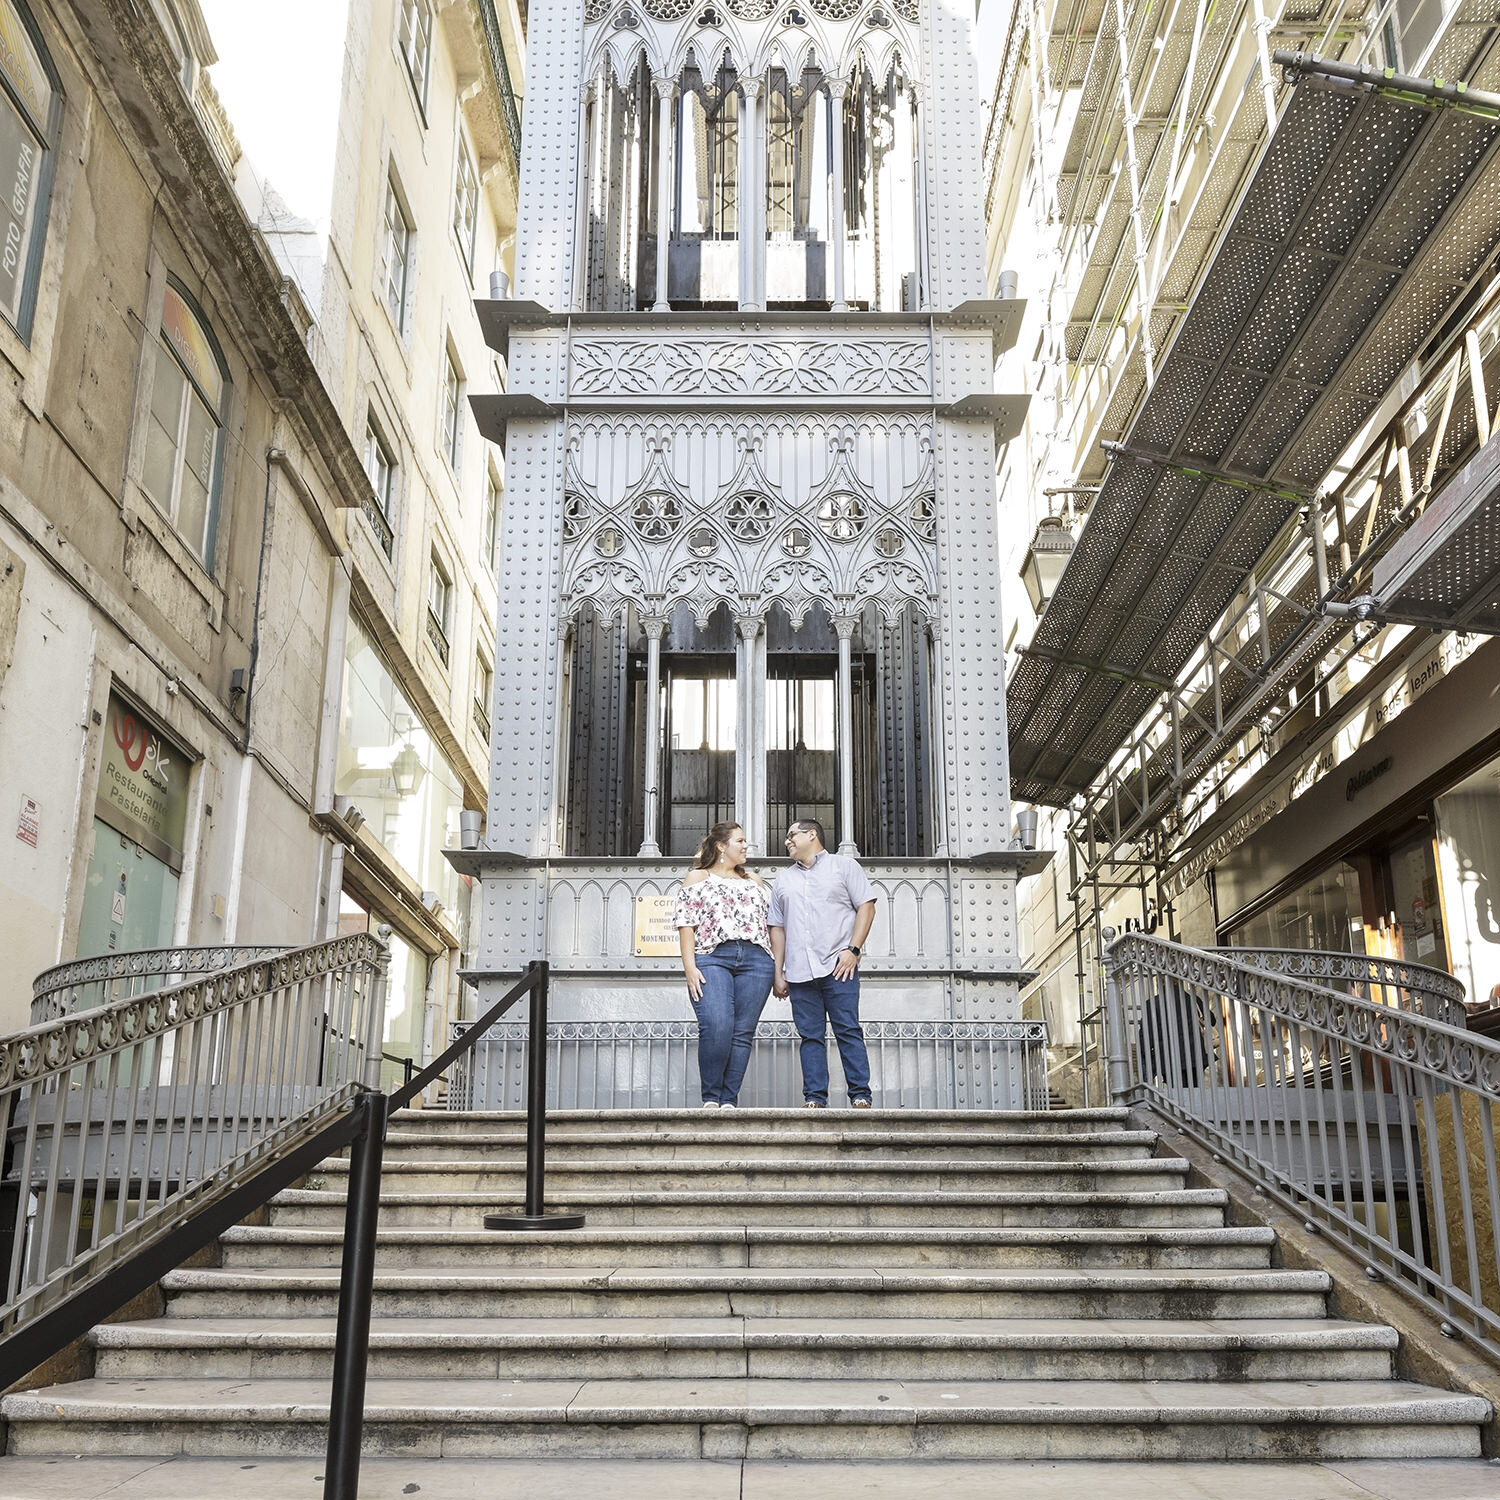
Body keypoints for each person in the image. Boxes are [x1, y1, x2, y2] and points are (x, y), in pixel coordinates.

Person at [768, 819, 878, 1108]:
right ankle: (815, 1098)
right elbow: (776, 928)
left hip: (838, 967)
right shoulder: (784, 880)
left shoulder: (844, 867)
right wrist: (778, 972)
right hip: (799, 972)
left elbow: (866, 905)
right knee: (810, 1037)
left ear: (812, 834)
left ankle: (860, 1095)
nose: (787, 841)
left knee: (848, 1029)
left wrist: (853, 949)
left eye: (792, 835)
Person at [674, 821, 776, 1109]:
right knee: (716, 1025)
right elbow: (686, 924)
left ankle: (729, 1100)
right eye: (740, 841)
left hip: (757, 960)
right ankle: (711, 1097)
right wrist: (689, 967)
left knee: (742, 1032)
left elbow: (772, 926)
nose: (746, 846)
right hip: (712, 956)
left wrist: (778, 968)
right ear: (721, 846)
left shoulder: (754, 881)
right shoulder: (697, 877)